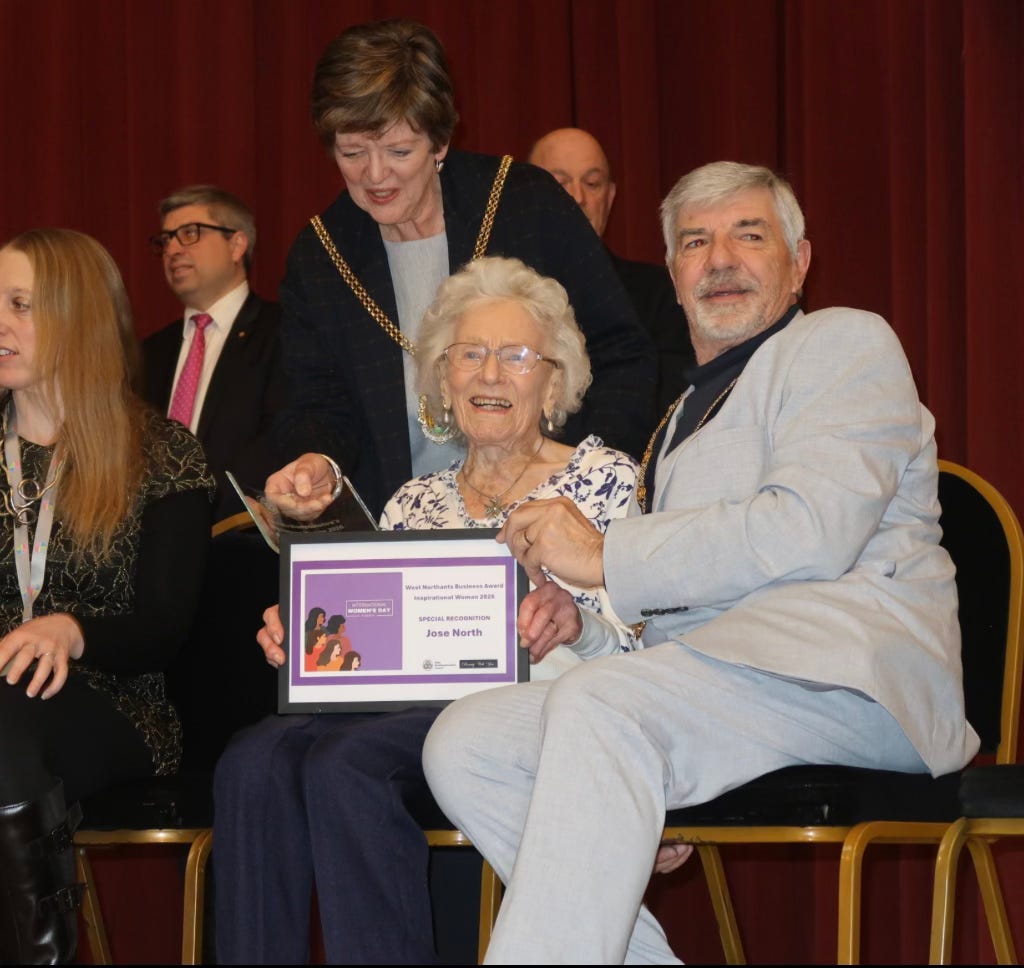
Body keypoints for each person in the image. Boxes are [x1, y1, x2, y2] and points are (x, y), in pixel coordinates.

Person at [422, 162, 980, 964]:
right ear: (674, 277)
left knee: (604, 708)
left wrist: (604, 554)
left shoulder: (843, 342)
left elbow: (809, 531)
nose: (719, 259)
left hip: (845, 678)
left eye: (748, 236)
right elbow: (676, 611)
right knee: (466, 741)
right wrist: (586, 628)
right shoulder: (683, 413)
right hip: (719, 683)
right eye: (694, 242)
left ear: (800, 262)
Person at [212, 256, 642, 964]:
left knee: (345, 764)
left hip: (525, 712)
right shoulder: (412, 501)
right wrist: (312, 630)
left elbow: (637, 646)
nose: (490, 374)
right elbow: (374, 644)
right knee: (251, 760)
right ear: (443, 381)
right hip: (401, 712)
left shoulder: (603, 478)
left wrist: (575, 619)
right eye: (468, 355)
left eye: (516, 356)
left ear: (554, 381)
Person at [263, 18, 656, 526]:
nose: (375, 175)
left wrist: (579, 481)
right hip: (403, 523)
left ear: (440, 142)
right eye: (352, 153)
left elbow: (622, 353)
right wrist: (320, 462)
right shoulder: (321, 254)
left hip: (549, 515)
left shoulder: (524, 204)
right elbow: (318, 402)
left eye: (399, 151)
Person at [0, 228, 214, 964]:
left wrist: (71, 630)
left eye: (20, 305)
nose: (0, 323)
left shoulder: (161, 453)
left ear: (78, 317)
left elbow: (163, 627)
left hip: (114, 699)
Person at [141, 184, 287, 523]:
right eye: (166, 240)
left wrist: (194, 510)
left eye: (189, 233)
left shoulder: (283, 332)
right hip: (156, 537)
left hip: (240, 536)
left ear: (236, 244)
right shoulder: (149, 352)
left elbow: (280, 437)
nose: (172, 249)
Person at [527, 126, 694, 411]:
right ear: (525, 195)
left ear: (610, 196)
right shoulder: (494, 293)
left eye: (592, 183)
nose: (578, 197)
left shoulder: (660, 297)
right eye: (559, 182)